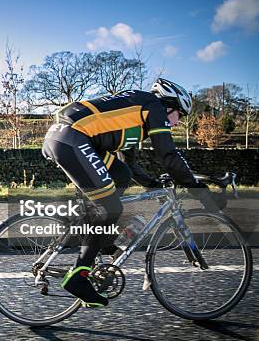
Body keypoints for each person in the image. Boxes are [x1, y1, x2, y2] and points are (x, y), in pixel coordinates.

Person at [42, 78, 220, 307]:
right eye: (180, 116)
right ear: (170, 107)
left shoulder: (134, 116)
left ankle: (100, 238)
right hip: (72, 139)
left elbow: (130, 167)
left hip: (67, 137)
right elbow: (168, 155)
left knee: (121, 174)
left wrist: (154, 185)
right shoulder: (153, 107)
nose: (177, 123)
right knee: (111, 207)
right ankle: (78, 278)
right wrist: (201, 193)